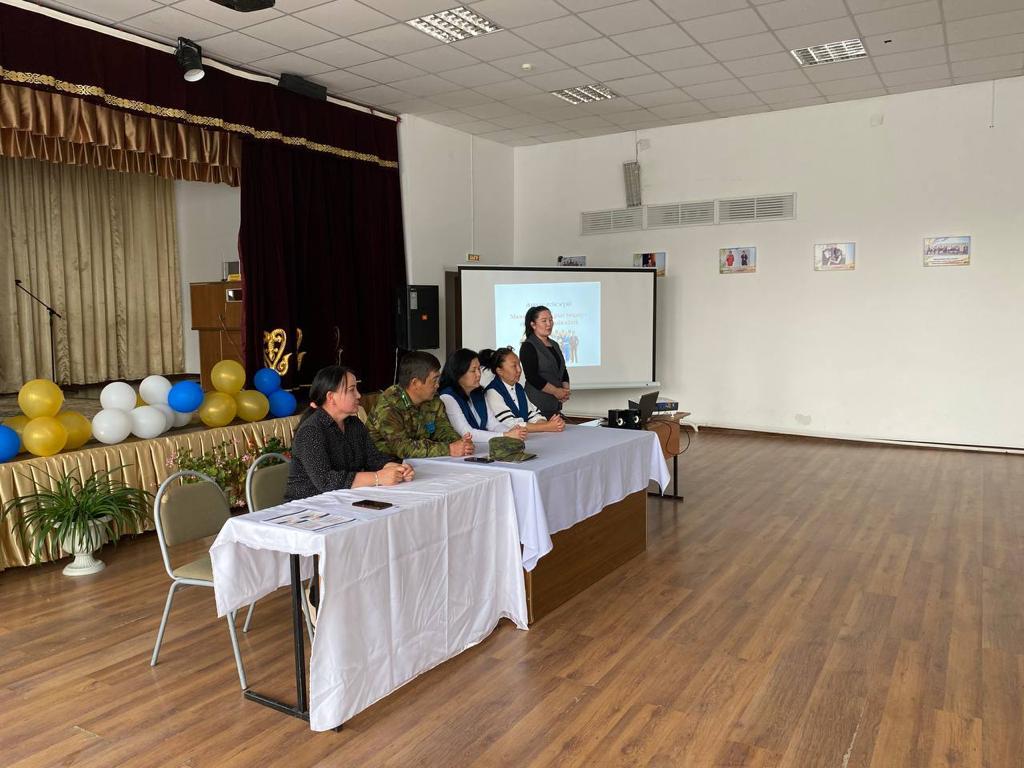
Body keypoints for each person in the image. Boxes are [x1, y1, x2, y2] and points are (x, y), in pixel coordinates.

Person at [285, 365, 414, 501]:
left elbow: (374, 459)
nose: (358, 395)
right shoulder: (311, 431)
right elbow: (326, 481)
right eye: (351, 390)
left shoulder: (354, 424)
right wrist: (378, 477)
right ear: (331, 397)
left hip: (344, 499)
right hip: (308, 505)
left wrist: (398, 469)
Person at [368, 350, 474, 459]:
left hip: (419, 461)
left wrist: (461, 443)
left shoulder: (433, 399)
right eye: (434, 380)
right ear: (415, 383)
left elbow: (442, 429)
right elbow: (403, 448)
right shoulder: (389, 405)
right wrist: (449, 449)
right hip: (385, 463)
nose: (437, 385)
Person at [439, 348, 528, 443]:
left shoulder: (478, 393)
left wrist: (510, 431)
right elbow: (467, 433)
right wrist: (505, 435)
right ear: (458, 373)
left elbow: (493, 424)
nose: (478, 374)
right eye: (473, 370)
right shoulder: (448, 397)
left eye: (478, 369)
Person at [482, 347, 564, 433]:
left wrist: (551, 424)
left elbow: (532, 415)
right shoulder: (492, 392)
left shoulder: (518, 388)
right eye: (514, 366)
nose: (519, 370)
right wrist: (546, 426)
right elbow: (510, 425)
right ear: (499, 371)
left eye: (519, 364)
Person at [518, 305, 570, 419]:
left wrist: (565, 390)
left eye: (551, 320)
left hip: (555, 405)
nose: (549, 324)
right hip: (536, 404)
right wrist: (555, 391)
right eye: (544, 320)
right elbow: (532, 377)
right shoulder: (528, 346)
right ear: (533, 324)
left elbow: (562, 370)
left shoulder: (555, 344)